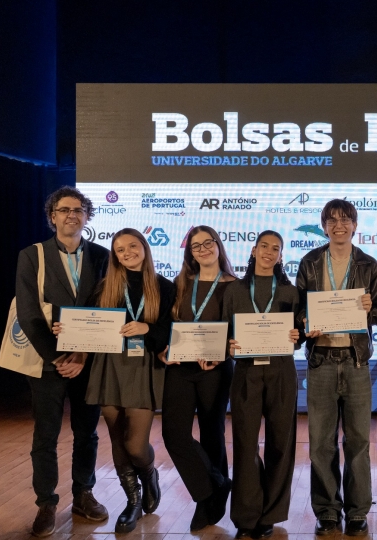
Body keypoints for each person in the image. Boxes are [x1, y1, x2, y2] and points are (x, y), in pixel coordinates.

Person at [15, 186, 110, 536]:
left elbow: (107, 310)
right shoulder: (32, 256)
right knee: (46, 435)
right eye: (64, 209)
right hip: (47, 362)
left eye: (79, 209)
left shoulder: (103, 256)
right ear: (51, 215)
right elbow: (27, 313)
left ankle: (84, 494)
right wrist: (59, 358)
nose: (72, 214)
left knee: (87, 433)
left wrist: (83, 354)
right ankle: (46, 503)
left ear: (87, 216)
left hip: (89, 360)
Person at [295, 199, 377, 537]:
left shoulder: (369, 264)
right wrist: (306, 321)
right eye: (331, 220)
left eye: (345, 219)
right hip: (320, 360)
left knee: (359, 440)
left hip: (356, 359)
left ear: (355, 225)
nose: (339, 225)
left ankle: (358, 510)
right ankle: (327, 510)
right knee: (320, 442)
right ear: (324, 226)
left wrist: (369, 309)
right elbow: (300, 311)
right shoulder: (310, 262)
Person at [77, 228, 175, 533]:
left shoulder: (164, 286)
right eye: (120, 249)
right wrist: (69, 331)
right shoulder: (104, 286)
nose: (127, 252)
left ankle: (149, 474)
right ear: (115, 256)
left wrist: (147, 330)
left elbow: (170, 331)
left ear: (144, 248)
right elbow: (90, 327)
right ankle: (132, 502)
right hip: (109, 366)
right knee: (117, 437)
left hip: (144, 366)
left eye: (133, 246)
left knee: (135, 444)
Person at [223, 230, 302, 539]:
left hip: (282, 372)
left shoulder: (290, 292)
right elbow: (225, 332)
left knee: (281, 444)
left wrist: (297, 337)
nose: (270, 252)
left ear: (281, 256)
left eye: (276, 249)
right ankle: (246, 517)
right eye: (265, 246)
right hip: (245, 372)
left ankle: (270, 513)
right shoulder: (234, 290)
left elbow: (298, 336)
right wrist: (228, 345)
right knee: (245, 444)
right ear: (254, 250)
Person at [161, 226, 237, 532]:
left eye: (208, 243)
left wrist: (221, 353)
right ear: (189, 252)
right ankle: (215, 485)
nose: (203, 248)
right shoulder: (180, 283)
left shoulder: (236, 285)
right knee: (173, 433)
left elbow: (239, 330)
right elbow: (166, 323)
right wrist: (162, 349)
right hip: (180, 366)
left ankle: (208, 503)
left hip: (216, 367)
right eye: (196, 245)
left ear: (219, 246)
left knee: (212, 433)